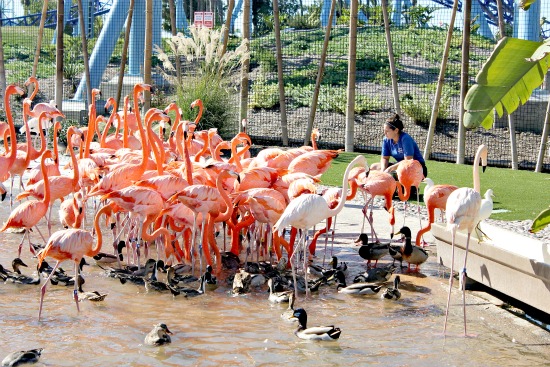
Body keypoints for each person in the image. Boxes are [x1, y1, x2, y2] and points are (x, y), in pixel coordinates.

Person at [371, 113, 428, 179]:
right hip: (400, 166)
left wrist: (390, 168)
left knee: (398, 172)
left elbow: (408, 161)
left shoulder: (405, 138)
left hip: (417, 168)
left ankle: (411, 188)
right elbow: (385, 158)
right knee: (374, 167)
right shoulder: (386, 140)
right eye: (384, 131)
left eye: (387, 131)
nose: (384, 133)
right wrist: (383, 170)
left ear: (396, 130)